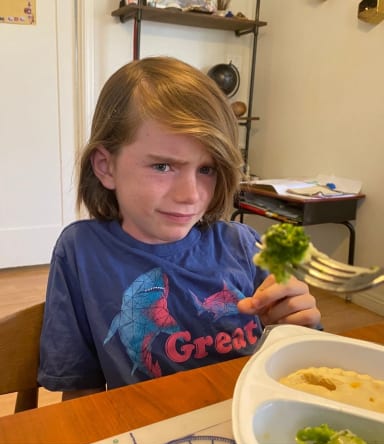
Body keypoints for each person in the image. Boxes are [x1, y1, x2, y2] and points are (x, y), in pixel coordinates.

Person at [38, 56, 321, 399]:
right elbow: (81, 390)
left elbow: (300, 362)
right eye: (163, 166)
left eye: (207, 169)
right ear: (106, 166)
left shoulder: (244, 245)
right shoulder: (81, 253)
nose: (190, 196)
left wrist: (301, 324)